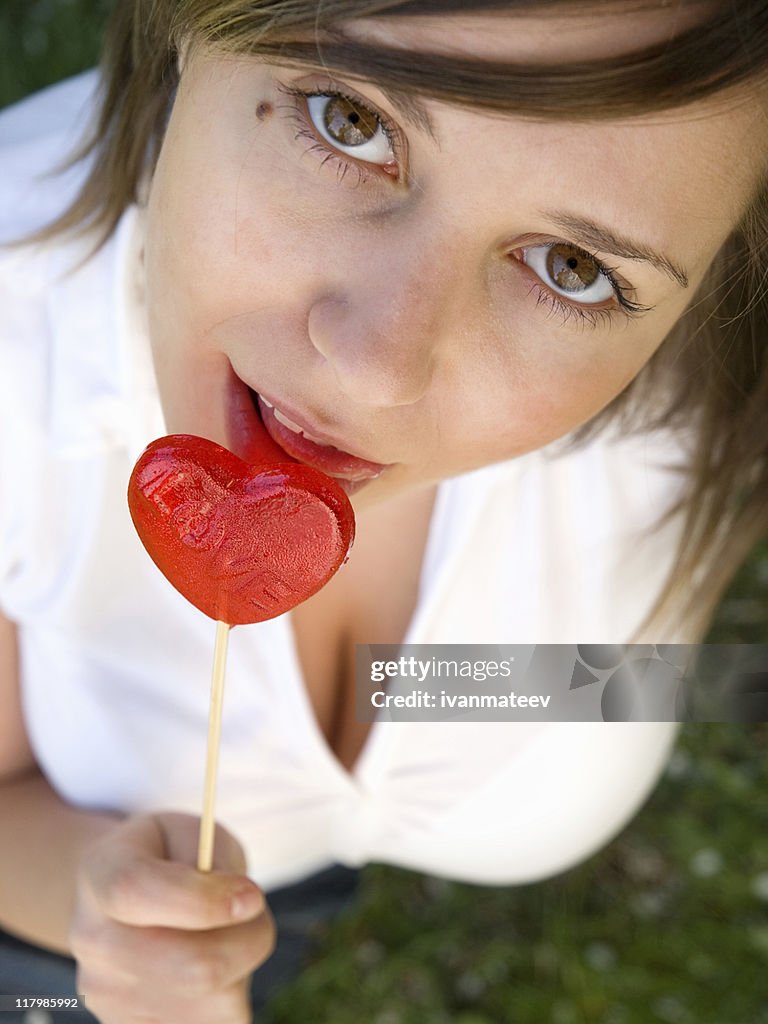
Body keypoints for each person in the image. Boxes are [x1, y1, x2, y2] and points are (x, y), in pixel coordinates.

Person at [1, 1, 766, 1021]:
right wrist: (109, 907)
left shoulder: (708, 405)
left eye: (571, 270)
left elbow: (613, 682)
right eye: (348, 121)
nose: (376, 368)